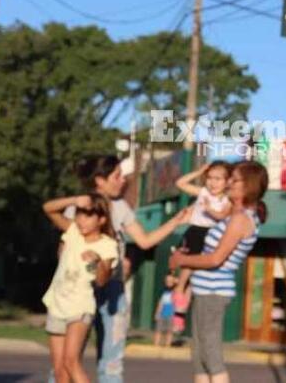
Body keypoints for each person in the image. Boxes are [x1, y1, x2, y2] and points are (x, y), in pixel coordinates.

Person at [45, 154, 192, 383]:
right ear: (100, 180)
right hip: (78, 291)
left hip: (112, 288)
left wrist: (175, 222)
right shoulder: (80, 206)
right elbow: (64, 248)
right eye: (117, 176)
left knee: (111, 362)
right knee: (65, 363)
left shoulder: (120, 207)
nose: (123, 180)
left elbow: (144, 241)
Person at [169, 161, 268, 383]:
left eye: (235, 179)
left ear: (249, 185)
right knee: (199, 357)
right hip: (203, 289)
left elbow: (216, 258)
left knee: (211, 356)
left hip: (214, 292)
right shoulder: (235, 215)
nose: (230, 183)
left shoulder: (241, 220)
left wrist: (182, 259)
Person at [42, 193, 118, 383]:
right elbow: (48, 208)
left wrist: (97, 261)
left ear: (101, 219)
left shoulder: (107, 245)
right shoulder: (73, 231)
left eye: (88, 216)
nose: (81, 220)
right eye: (79, 214)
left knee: (71, 362)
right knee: (59, 371)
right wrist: (73, 201)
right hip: (57, 303)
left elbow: (102, 280)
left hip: (80, 307)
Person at [172, 162, 233, 334]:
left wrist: (209, 209)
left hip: (211, 234)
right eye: (209, 178)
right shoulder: (204, 192)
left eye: (218, 179)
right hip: (195, 231)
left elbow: (222, 215)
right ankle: (179, 290)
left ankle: (180, 312)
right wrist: (198, 172)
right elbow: (180, 183)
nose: (212, 182)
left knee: (196, 271)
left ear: (227, 182)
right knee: (189, 265)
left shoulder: (227, 200)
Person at [153, 274, 178, 347]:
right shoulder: (163, 291)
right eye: (167, 281)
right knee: (158, 330)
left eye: (170, 281)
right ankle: (156, 345)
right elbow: (160, 303)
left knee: (169, 331)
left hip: (171, 314)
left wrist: (175, 280)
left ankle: (167, 345)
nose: (169, 282)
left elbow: (180, 284)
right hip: (162, 314)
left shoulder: (175, 290)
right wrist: (157, 313)